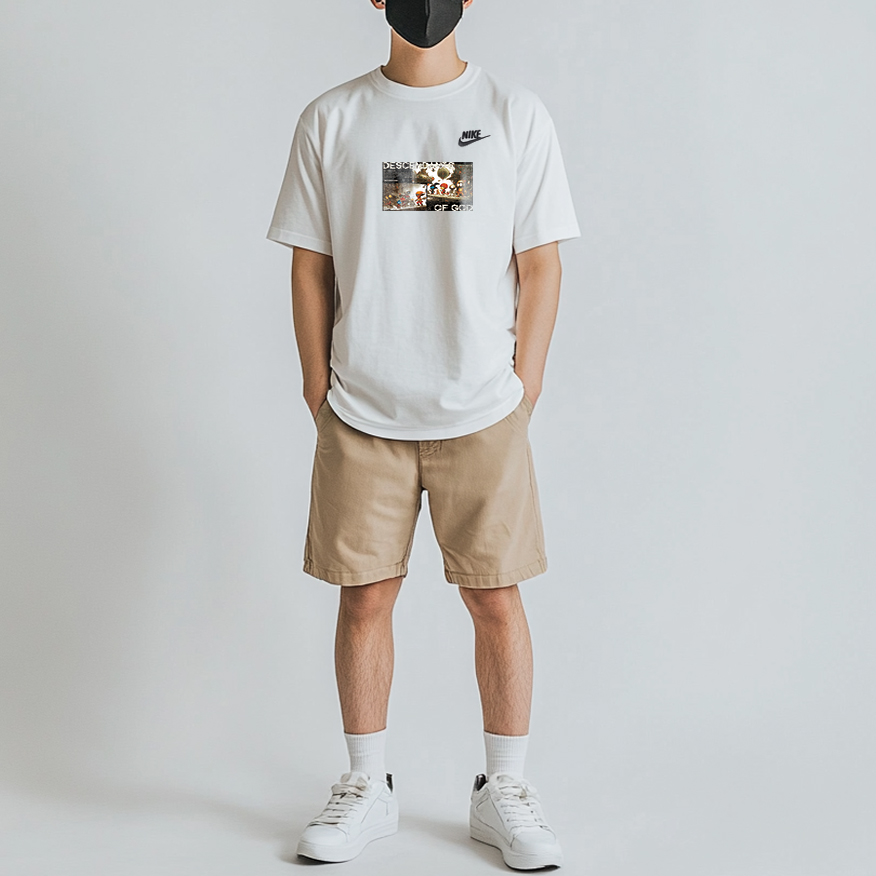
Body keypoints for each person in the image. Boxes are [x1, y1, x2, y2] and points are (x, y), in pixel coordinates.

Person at [266, 0, 580, 868]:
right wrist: (316, 385)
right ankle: (367, 784)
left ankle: (504, 789)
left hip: (482, 410)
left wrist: (525, 388)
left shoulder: (515, 115)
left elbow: (542, 261)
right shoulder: (333, 119)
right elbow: (310, 262)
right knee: (364, 598)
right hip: (363, 410)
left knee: (496, 598)